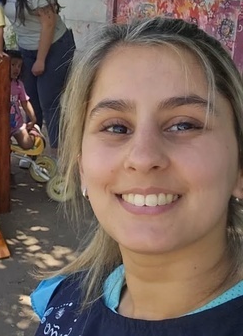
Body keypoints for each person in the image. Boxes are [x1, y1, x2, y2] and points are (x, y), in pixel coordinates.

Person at [30, 18, 243, 335]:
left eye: (183, 125)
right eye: (116, 128)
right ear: (83, 169)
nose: (143, 158)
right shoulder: (63, 304)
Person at [0, 0, 75, 149]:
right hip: (27, 50)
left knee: (49, 101)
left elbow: (48, 24)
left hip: (54, 47)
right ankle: (35, 147)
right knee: (31, 102)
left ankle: (61, 155)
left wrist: (41, 60)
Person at [0, 51, 36, 149]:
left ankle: (34, 133)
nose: (16, 69)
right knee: (1, 147)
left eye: (19, 66)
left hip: (16, 124)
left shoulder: (18, 85)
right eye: (13, 65)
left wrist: (33, 119)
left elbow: (25, 103)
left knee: (27, 144)